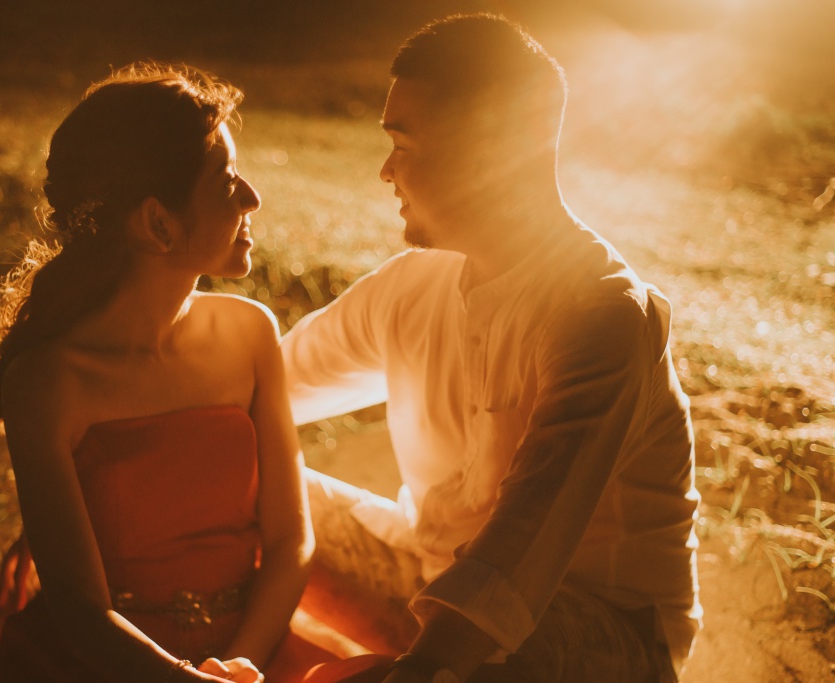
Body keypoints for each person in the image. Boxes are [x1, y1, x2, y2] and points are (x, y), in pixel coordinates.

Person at [0, 62, 340, 683]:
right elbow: (80, 608)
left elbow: (290, 544)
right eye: (226, 181)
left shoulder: (251, 333)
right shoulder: (49, 382)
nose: (253, 197)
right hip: (109, 663)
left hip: (258, 647)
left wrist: (241, 666)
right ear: (157, 224)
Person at [287, 13, 701, 683]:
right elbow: (258, 389)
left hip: (597, 637)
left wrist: (418, 673)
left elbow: (520, 553)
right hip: (430, 578)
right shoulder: (413, 287)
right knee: (240, 472)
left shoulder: (601, 315)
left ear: (510, 140)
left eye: (407, 143)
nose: (386, 170)